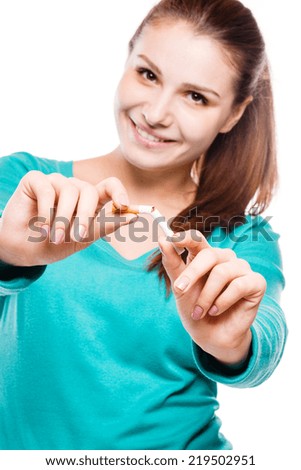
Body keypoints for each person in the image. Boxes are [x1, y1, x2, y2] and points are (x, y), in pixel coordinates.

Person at [0, 0, 287, 450]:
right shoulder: (25, 187)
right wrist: (7, 255)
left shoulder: (243, 234)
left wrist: (235, 343)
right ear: (127, 60)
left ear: (233, 113)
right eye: (148, 75)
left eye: (196, 97)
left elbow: (266, 333)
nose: (155, 113)